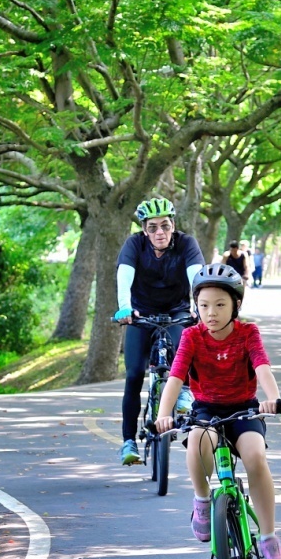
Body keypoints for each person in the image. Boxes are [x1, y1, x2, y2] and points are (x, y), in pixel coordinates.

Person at [154, 264, 281, 559]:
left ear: (236, 306)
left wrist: (272, 398)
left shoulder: (248, 333)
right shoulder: (191, 336)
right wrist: (164, 415)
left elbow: (262, 367)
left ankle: (269, 538)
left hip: (244, 410)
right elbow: (175, 377)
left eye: (219, 305)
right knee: (198, 442)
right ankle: (202, 501)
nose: (211, 313)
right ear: (196, 306)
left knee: (256, 455)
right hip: (206, 410)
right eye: (203, 306)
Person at [113, 196, 205, 465]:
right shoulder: (134, 244)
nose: (159, 232)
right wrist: (124, 308)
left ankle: (184, 392)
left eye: (165, 225)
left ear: (173, 225)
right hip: (140, 313)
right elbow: (124, 275)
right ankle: (128, 441)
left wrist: (200, 306)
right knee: (133, 374)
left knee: (184, 352)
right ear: (144, 229)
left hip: (177, 310)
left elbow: (197, 275)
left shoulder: (187, 243)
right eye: (152, 227)